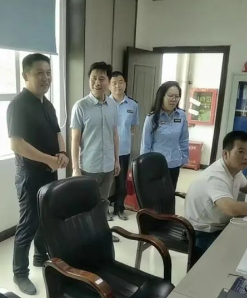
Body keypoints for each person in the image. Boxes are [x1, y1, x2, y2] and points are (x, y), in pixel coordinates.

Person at [7, 53, 68, 295]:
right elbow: (16, 144)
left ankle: (40, 257)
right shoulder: (18, 105)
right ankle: (19, 274)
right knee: (29, 223)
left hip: (49, 172)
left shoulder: (47, 104)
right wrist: (49, 160)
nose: (46, 77)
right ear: (25, 75)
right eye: (39, 73)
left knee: (46, 219)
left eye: (49, 72)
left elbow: (57, 133)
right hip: (30, 176)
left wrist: (62, 153)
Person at [71, 61, 120, 242]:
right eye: (93, 78)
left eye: (101, 78)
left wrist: (116, 160)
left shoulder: (113, 105)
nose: (97, 83)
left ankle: (102, 234)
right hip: (89, 166)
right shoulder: (81, 106)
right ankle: (85, 238)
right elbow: (75, 140)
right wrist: (75, 168)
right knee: (86, 205)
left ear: (108, 81)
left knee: (104, 202)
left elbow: (114, 134)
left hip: (108, 165)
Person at [141, 81, 189, 191]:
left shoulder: (181, 115)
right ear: (162, 96)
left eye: (177, 96)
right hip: (156, 165)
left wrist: (184, 158)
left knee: (170, 194)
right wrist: (145, 165)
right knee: (155, 195)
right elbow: (146, 144)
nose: (174, 99)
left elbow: (184, 139)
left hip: (174, 164)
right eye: (170, 96)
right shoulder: (152, 117)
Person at [108, 71, 138, 220]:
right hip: (107, 150)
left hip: (124, 150)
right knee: (107, 183)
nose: (117, 86)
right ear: (109, 86)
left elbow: (133, 127)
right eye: (114, 83)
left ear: (125, 84)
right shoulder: (105, 104)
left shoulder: (133, 105)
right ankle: (104, 210)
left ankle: (119, 208)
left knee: (121, 183)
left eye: (120, 82)